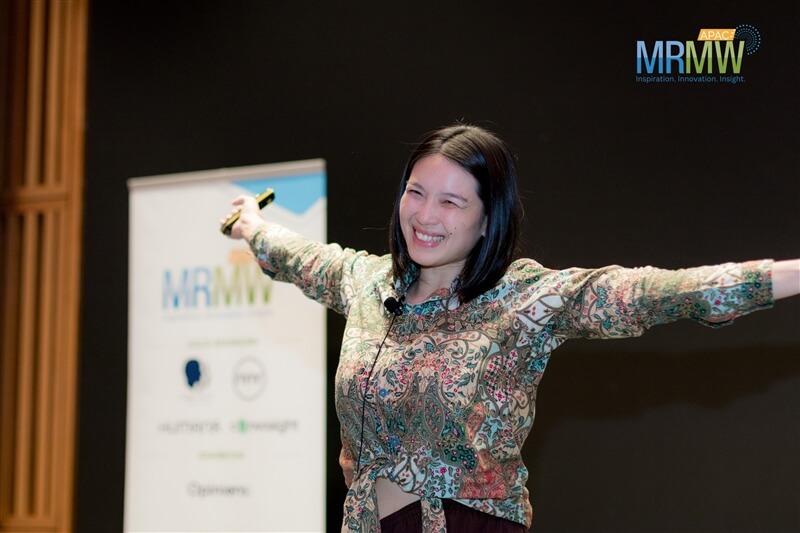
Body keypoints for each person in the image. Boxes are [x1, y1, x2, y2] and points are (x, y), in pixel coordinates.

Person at [221, 124, 799, 533]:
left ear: (487, 218)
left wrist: (787, 275)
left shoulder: (522, 299)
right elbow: (297, 255)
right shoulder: (367, 284)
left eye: (451, 202)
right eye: (416, 192)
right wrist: (251, 225)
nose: (425, 215)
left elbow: (648, 294)